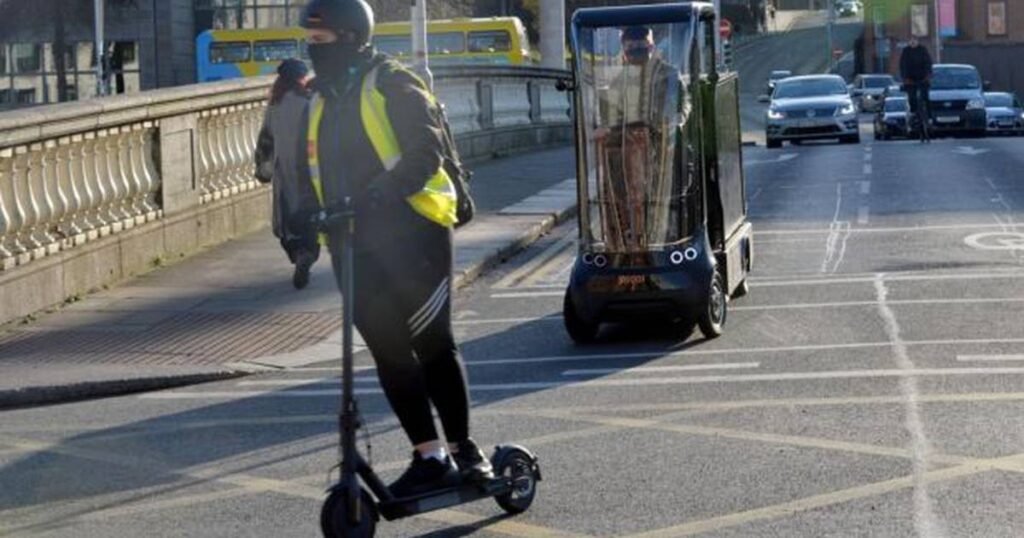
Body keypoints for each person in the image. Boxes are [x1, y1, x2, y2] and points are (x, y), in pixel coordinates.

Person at [297, 0, 493, 498]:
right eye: (309, 43)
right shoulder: (318, 101)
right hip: (352, 245)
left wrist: (378, 194)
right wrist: (299, 227)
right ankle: (430, 457)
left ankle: (466, 450)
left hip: (413, 235)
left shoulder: (394, 83)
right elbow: (306, 175)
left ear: (350, 37)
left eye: (321, 42)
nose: (312, 52)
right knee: (388, 352)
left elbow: (426, 151)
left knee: (432, 343)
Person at [255, 59, 320, 289]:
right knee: (312, 217)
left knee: (287, 221)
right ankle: (309, 253)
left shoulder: (275, 104)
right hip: (310, 171)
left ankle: (299, 252)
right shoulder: (310, 102)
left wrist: (263, 170)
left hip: (284, 173)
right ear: (302, 78)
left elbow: (266, 141)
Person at [899, 37, 933, 142]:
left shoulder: (923, 50)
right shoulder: (906, 51)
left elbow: (928, 63)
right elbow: (902, 65)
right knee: (912, 98)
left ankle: (929, 116)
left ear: (918, 42)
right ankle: (914, 112)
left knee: (925, 97)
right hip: (911, 80)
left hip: (922, 79)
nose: (913, 42)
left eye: (914, 40)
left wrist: (928, 75)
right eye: (911, 40)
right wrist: (905, 78)